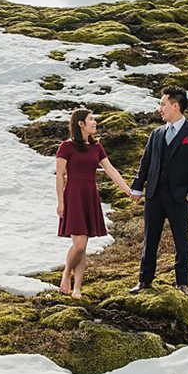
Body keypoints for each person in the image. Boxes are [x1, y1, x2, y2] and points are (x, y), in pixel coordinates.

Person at [128, 86, 188, 296]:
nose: (160, 108)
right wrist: (137, 187)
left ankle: (183, 283)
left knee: (181, 240)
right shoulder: (156, 134)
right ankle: (144, 281)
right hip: (154, 195)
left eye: (163, 104)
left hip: (179, 197)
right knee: (150, 240)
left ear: (175, 106)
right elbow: (145, 163)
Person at [56, 107, 135, 297]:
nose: (95, 122)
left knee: (84, 244)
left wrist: (127, 190)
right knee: (80, 244)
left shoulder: (96, 147)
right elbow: (59, 176)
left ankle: (77, 288)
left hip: (90, 195)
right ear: (80, 124)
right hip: (73, 195)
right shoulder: (65, 147)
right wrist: (60, 203)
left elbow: (111, 170)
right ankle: (67, 274)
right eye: (91, 119)